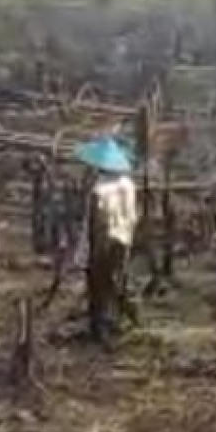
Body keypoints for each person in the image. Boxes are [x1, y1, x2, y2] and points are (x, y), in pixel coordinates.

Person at [77, 136, 139, 340]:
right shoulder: (129, 186)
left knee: (98, 285)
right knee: (118, 279)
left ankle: (100, 329)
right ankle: (122, 319)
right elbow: (132, 215)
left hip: (103, 241)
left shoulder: (98, 191)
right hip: (124, 238)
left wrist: (87, 249)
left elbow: (96, 221)